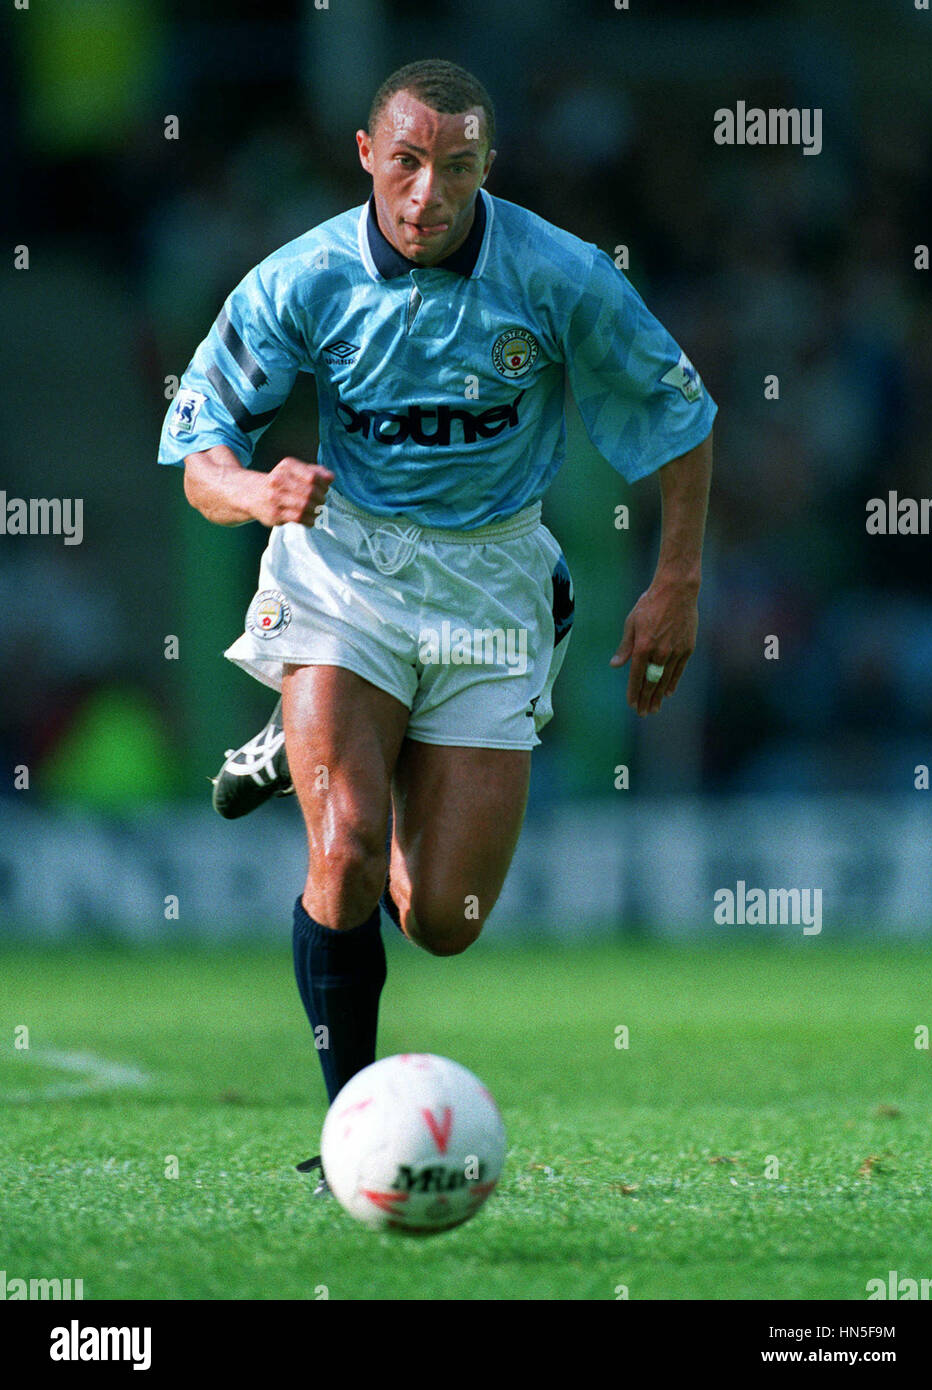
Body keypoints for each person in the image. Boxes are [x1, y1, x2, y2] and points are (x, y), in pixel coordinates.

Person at [158, 59, 715, 1171]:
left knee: (444, 919)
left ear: (484, 167)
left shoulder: (558, 276)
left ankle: (316, 742)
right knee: (350, 846)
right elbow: (194, 447)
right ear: (368, 156)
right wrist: (255, 491)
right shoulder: (301, 278)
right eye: (407, 163)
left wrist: (676, 583)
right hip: (344, 574)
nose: (428, 194)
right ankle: (349, 1128)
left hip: (494, 586)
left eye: (455, 168)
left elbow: (677, 412)